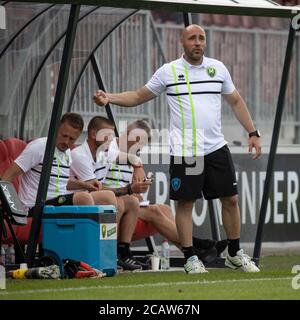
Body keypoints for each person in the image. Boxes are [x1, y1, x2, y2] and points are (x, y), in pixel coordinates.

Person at [93, 24, 261, 274]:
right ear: (182, 42)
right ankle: (191, 257)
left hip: (216, 146)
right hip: (185, 150)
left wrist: (252, 132)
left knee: (231, 199)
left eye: (201, 38)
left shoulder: (218, 68)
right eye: (192, 38)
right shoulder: (169, 71)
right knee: (185, 203)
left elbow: (235, 100)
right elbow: (139, 96)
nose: (198, 42)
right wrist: (110, 98)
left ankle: (235, 253)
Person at [103, 119, 227, 263]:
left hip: (126, 203)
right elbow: (111, 163)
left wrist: (139, 189)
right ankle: (197, 245)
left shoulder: (133, 158)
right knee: (154, 211)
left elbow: (134, 193)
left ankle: (191, 254)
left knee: (165, 209)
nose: (140, 149)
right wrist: (136, 166)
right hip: (111, 201)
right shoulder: (110, 147)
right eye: (140, 144)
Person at [68, 116, 151, 271]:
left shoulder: (103, 153)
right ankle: (108, 253)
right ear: (94, 135)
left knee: (132, 201)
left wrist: (138, 164)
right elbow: (95, 189)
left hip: (91, 198)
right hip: (76, 200)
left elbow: (129, 157)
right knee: (111, 198)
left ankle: (124, 252)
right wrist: (128, 190)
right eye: (108, 136)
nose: (112, 140)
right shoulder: (80, 154)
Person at [2, 112, 117, 215]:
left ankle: (107, 239)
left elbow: (61, 181)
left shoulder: (66, 152)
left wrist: (85, 185)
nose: (66, 142)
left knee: (107, 196)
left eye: (72, 139)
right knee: (83, 198)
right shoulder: (39, 147)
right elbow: (9, 175)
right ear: (57, 129)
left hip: (58, 201)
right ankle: (87, 238)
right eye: (64, 136)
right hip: (36, 206)